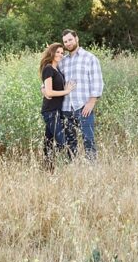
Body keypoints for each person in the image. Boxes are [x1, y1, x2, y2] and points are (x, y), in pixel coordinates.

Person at [59, 29, 103, 160]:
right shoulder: (63, 61)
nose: (68, 43)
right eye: (65, 42)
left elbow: (97, 81)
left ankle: (91, 169)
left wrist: (91, 102)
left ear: (76, 38)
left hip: (83, 107)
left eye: (70, 40)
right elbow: (53, 77)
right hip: (66, 108)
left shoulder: (89, 58)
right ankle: (72, 168)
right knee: (70, 142)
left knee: (88, 139)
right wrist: (44, 88)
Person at [39, 42, 74, 170]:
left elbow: (46, 88)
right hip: (50, 111)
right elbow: (49, 92)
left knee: (48, 141)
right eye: (57, 52)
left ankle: (48, 169)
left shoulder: (56, 69)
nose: (60, 54)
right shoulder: (48, 68)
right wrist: (67, 91)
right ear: (51, 53)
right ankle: (68, 167)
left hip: (57, 110)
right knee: (62, 140)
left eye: (61, 52)